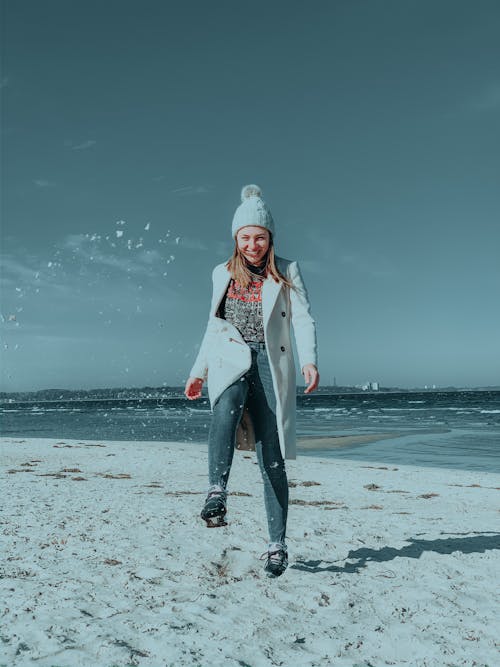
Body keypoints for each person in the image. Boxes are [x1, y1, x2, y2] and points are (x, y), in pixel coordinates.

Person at [184, 184, 319, 578]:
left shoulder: (288, 270)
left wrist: (309, 360)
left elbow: (303, 318)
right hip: (230, 357)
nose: (252, 244)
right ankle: (216, 492)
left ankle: (277, 546)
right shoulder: (220, 273)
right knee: (224, 408)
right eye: (245, 237)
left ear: (270, 237)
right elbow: (213, 326)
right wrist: (198, 371)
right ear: (236, 238)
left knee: (271, 459)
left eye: (259, 237)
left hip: (270, 366)